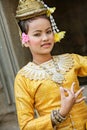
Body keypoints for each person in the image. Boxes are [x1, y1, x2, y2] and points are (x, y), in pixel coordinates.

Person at [14, 0, 87, 130]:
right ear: (25, 40)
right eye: (37, 34)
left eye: (48, 31)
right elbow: (26, 126)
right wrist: (61, 113)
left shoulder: (71, 60)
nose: (45, 38)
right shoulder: (23, 78)